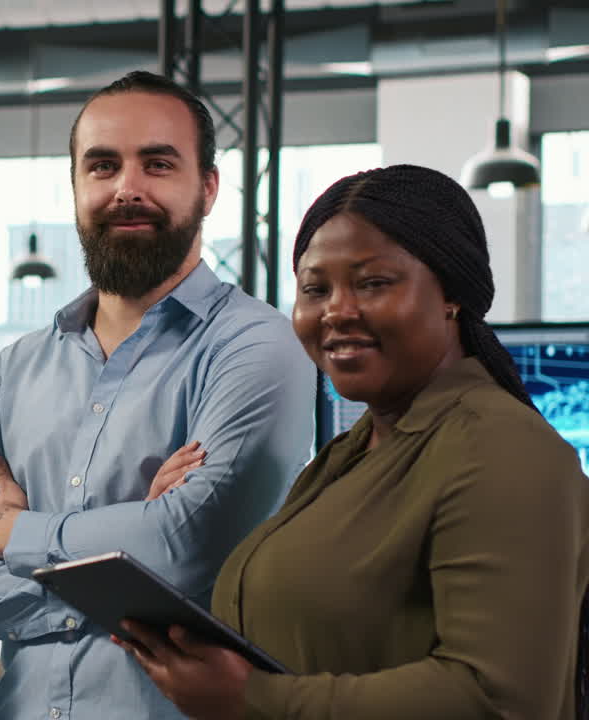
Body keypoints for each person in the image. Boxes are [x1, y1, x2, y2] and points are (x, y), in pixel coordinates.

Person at [117, 164, 589, 719]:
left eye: (373, 283)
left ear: (452, 295)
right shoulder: (349, 455)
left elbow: (497, 699)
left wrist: (252, 700)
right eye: (315, 289)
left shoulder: (503, 451)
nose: (337, 311)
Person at [0, 70, 316, 720]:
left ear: (209, 187)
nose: (127, 189)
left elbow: (187, 548)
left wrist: (16, 533)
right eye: (102, 166)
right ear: (76, 186)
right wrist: (122, 588)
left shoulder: (259, 346)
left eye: (157, 164)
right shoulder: (16, 369)